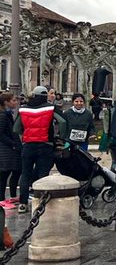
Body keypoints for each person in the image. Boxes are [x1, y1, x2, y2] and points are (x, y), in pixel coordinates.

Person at [15, 84, 64, 213]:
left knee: (25, 174)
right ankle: (41, 201)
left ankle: (23, 203)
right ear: (45, 95)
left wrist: (25, 134)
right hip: (45, 145)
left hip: (28, 145)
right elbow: (63, 122)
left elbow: (16, 128)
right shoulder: (50, 108)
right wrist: (60, 137)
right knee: (43, 175)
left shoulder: (23, 109)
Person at [0, 92, 19, 205]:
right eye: (13, 100)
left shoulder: (7, 114)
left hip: (10, 149)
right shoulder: (3, 115)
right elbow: (1, 133)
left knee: (16, 170)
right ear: (6, 102)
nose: (16, 102)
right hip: (6, 149)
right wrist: (12, 144)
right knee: (4, 174)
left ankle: (12, 196)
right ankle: (2, 199)